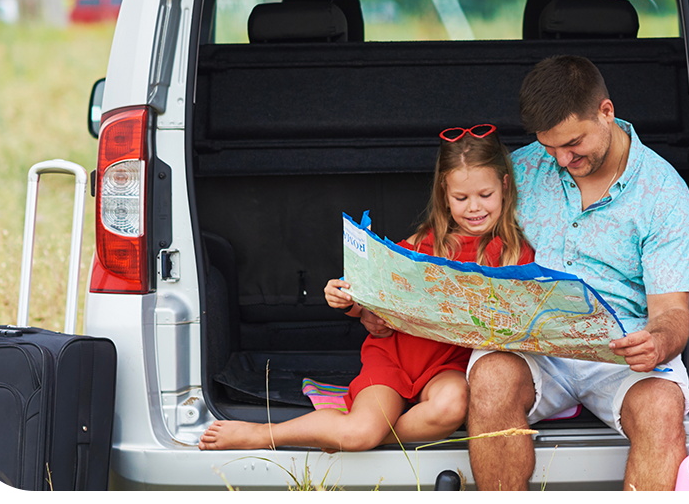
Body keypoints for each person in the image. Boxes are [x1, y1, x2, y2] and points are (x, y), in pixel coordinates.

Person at [197, 125, 534, 453]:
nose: (474, 207)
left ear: (505, 186)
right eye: (461, 197)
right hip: (394, 356)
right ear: (444, 196)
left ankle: (354, 436)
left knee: (451, 408)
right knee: (359, 432)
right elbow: (374, 299)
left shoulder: (515, 253)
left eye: (485, 195)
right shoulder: (421, 244)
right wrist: (351, 303)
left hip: (449, 367)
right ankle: (265, 434)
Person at [465, 55, 689, 491]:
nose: (561, 158)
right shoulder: (526, 168)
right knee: (491, 378)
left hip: (620, 354)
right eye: (550, 147)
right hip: (532, 345)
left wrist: (657, 343)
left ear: (606, 113)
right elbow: (457, 238)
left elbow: (672, 315)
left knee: (662, 409)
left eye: (573, 144)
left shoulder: (663, 192)